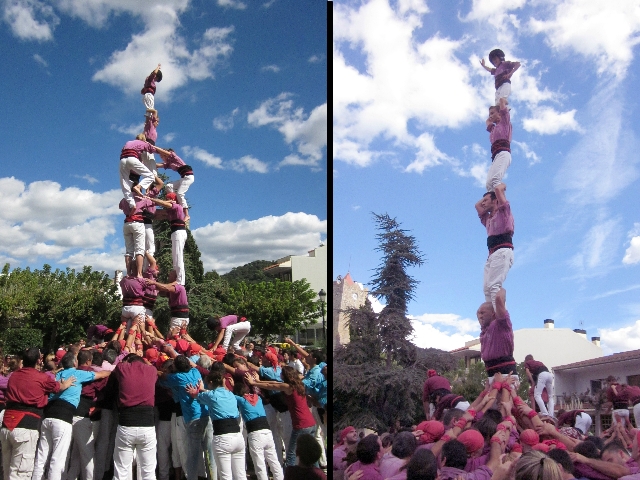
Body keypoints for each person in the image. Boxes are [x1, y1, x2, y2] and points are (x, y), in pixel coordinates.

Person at [31, 351, 110, 480]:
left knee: (42, 456)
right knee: (61, 458)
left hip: (48, 416)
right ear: (75, 362)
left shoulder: (57, 375)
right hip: (65, 417)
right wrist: (111, 371)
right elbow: (101, 374)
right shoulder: (78, 374)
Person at [0, 347, 75, 480]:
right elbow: (58, 387)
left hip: (6, 425)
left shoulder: (14, 375)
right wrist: (67, 382)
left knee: (7, 471)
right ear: (39, 360)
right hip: (25, 426)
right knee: (21, 473)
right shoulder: (41, 377)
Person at [245, 367, 317, 467]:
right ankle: (317, 474)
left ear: (285, 375)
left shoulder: (289, 387)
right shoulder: (299, 385)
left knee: (291, 454)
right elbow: (275, 383)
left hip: (301, 424)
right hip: (311, 423)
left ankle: (289, 475)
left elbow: (272, 385)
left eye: (281, 373)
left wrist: (254, 383)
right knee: (311, 453)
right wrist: (258, 381)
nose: (280, 375)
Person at [159, 355, 215, 480]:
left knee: (192, 454)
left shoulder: (179, 377)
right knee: (209, 452)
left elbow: (162, 377)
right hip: (206, 415)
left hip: (193, 418)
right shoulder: (195, 371)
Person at [186, 363, 245, 480]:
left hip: (222, 437)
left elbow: (196, 395)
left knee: (225, 476)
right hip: (238, 437)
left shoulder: (211, 395)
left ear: (211, 383)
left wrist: (197, 390)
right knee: (240, 475)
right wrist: (203, 388)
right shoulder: (230, 394)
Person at [111, 352, 160, 480]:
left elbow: (117, 365)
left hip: (126, 424)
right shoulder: (152, 370)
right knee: (148, 471)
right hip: (147, 425)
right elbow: (152, 369)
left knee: (121, 470)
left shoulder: (123, 368)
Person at [231, 378, 283, 480]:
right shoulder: (257, 397)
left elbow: (229, 396)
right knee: (274, 461)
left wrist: (232, 386)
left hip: (255, 434)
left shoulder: (241, 400)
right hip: (267, 432)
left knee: (260, 465)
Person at [475, 183, 514, 311]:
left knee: (494, 285)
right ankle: (493, 320)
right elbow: (477, 206)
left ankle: (502, 320)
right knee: (487, 289)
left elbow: (498, 188)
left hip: (502, 251)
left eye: (486, 200)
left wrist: (497, 187)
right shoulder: (488, 219)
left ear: (495, 200)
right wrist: (488, 195)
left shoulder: (503, 211)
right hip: (492, 255)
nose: (483, 203)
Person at [476, 287, 518, 386]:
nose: (480, 316)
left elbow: (498, 298)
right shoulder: (484, 331)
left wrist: (496, 286)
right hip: (491, 373)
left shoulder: (501, 324)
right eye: (478, 314)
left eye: (482, 313)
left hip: (505, 373)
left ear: (493, 314)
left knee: (505, 401)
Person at [147, 193, 187, 285]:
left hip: (178, 232)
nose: (166, 200)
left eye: (167, 199)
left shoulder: (176, 206)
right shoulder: (172, 211)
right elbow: (158, 214)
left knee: (178, 256)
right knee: (176, 256)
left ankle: (180, 281)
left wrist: (150, 199)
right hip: (176, 232)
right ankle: (179, 278)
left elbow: (164, 204)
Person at [119, 134, 159, 209]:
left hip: (122, 160)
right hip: (132, 159)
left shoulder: (128, 142)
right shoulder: (143, 143)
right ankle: (138, 186)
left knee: (124, 183)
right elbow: (153, 149)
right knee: (150, 176)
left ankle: (132, 204)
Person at [119, 194, 154, 278]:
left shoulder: (124, 199)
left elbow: (120, 207)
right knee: (139, 249)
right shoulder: (142, 199)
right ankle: (139, 273)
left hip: (127, 223)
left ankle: (128, 273)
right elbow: (151, 205)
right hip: (138, 222)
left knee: (129, 251)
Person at [157, 149, 194, 223]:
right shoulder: (169, 163)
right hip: (183, 179)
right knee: (169, 186)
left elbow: (168, 153)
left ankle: (187, 215)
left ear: (166, 155)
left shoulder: (174, 157)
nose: (161, 158)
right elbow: (158, 165)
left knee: (180, 194)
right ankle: (174, 202)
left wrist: (153, 146)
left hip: (188, 177)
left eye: (162, 156)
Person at [483, 97, 512, 192]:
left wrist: (502, 102)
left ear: (499, 113)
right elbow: (488, 122)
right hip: (496, 156)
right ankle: (493, 203)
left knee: (496, 180)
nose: (490, 116)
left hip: (503, 153)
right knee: (489, 184)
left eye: (492, 113)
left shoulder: (504, 123)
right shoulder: (493, 129)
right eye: (489, 114)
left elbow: (504, 112)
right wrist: (492, 116)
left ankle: (503, 204)